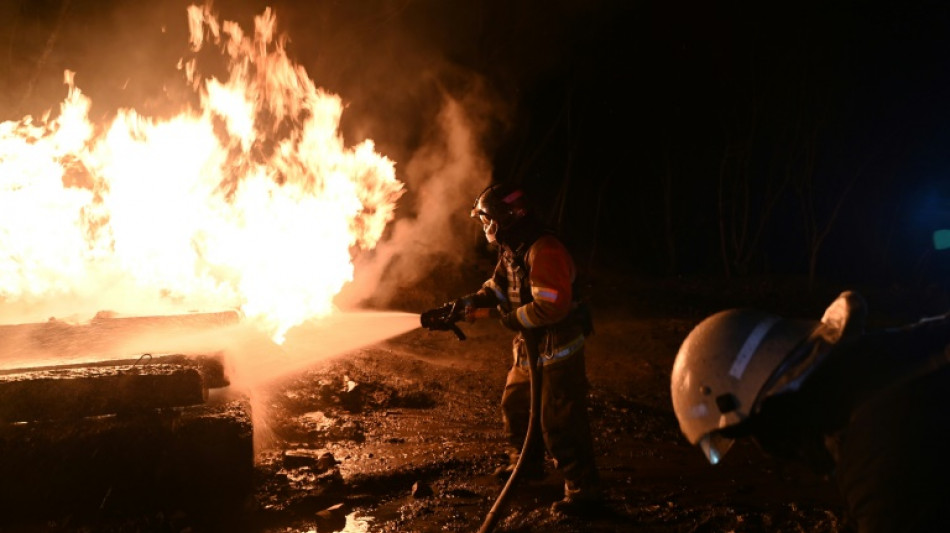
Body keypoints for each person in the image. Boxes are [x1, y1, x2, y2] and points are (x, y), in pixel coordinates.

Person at [671, 290, 950, 532]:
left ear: (774, 412)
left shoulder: (875, 451)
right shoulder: (869, 367)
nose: (771, 450)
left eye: (759, 432)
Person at [435, 183, 600, 515]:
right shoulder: (513, 247)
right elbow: (499, 286)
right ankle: (526, 465)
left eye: (487, 220)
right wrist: (469, 303)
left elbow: (551, 306)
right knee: (516, 405)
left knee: (559, 421)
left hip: (558, 350)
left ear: (505, 218)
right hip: (530, 349)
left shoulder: (545, 250)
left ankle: (584, 491)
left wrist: (507, 318)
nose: (485, 227)